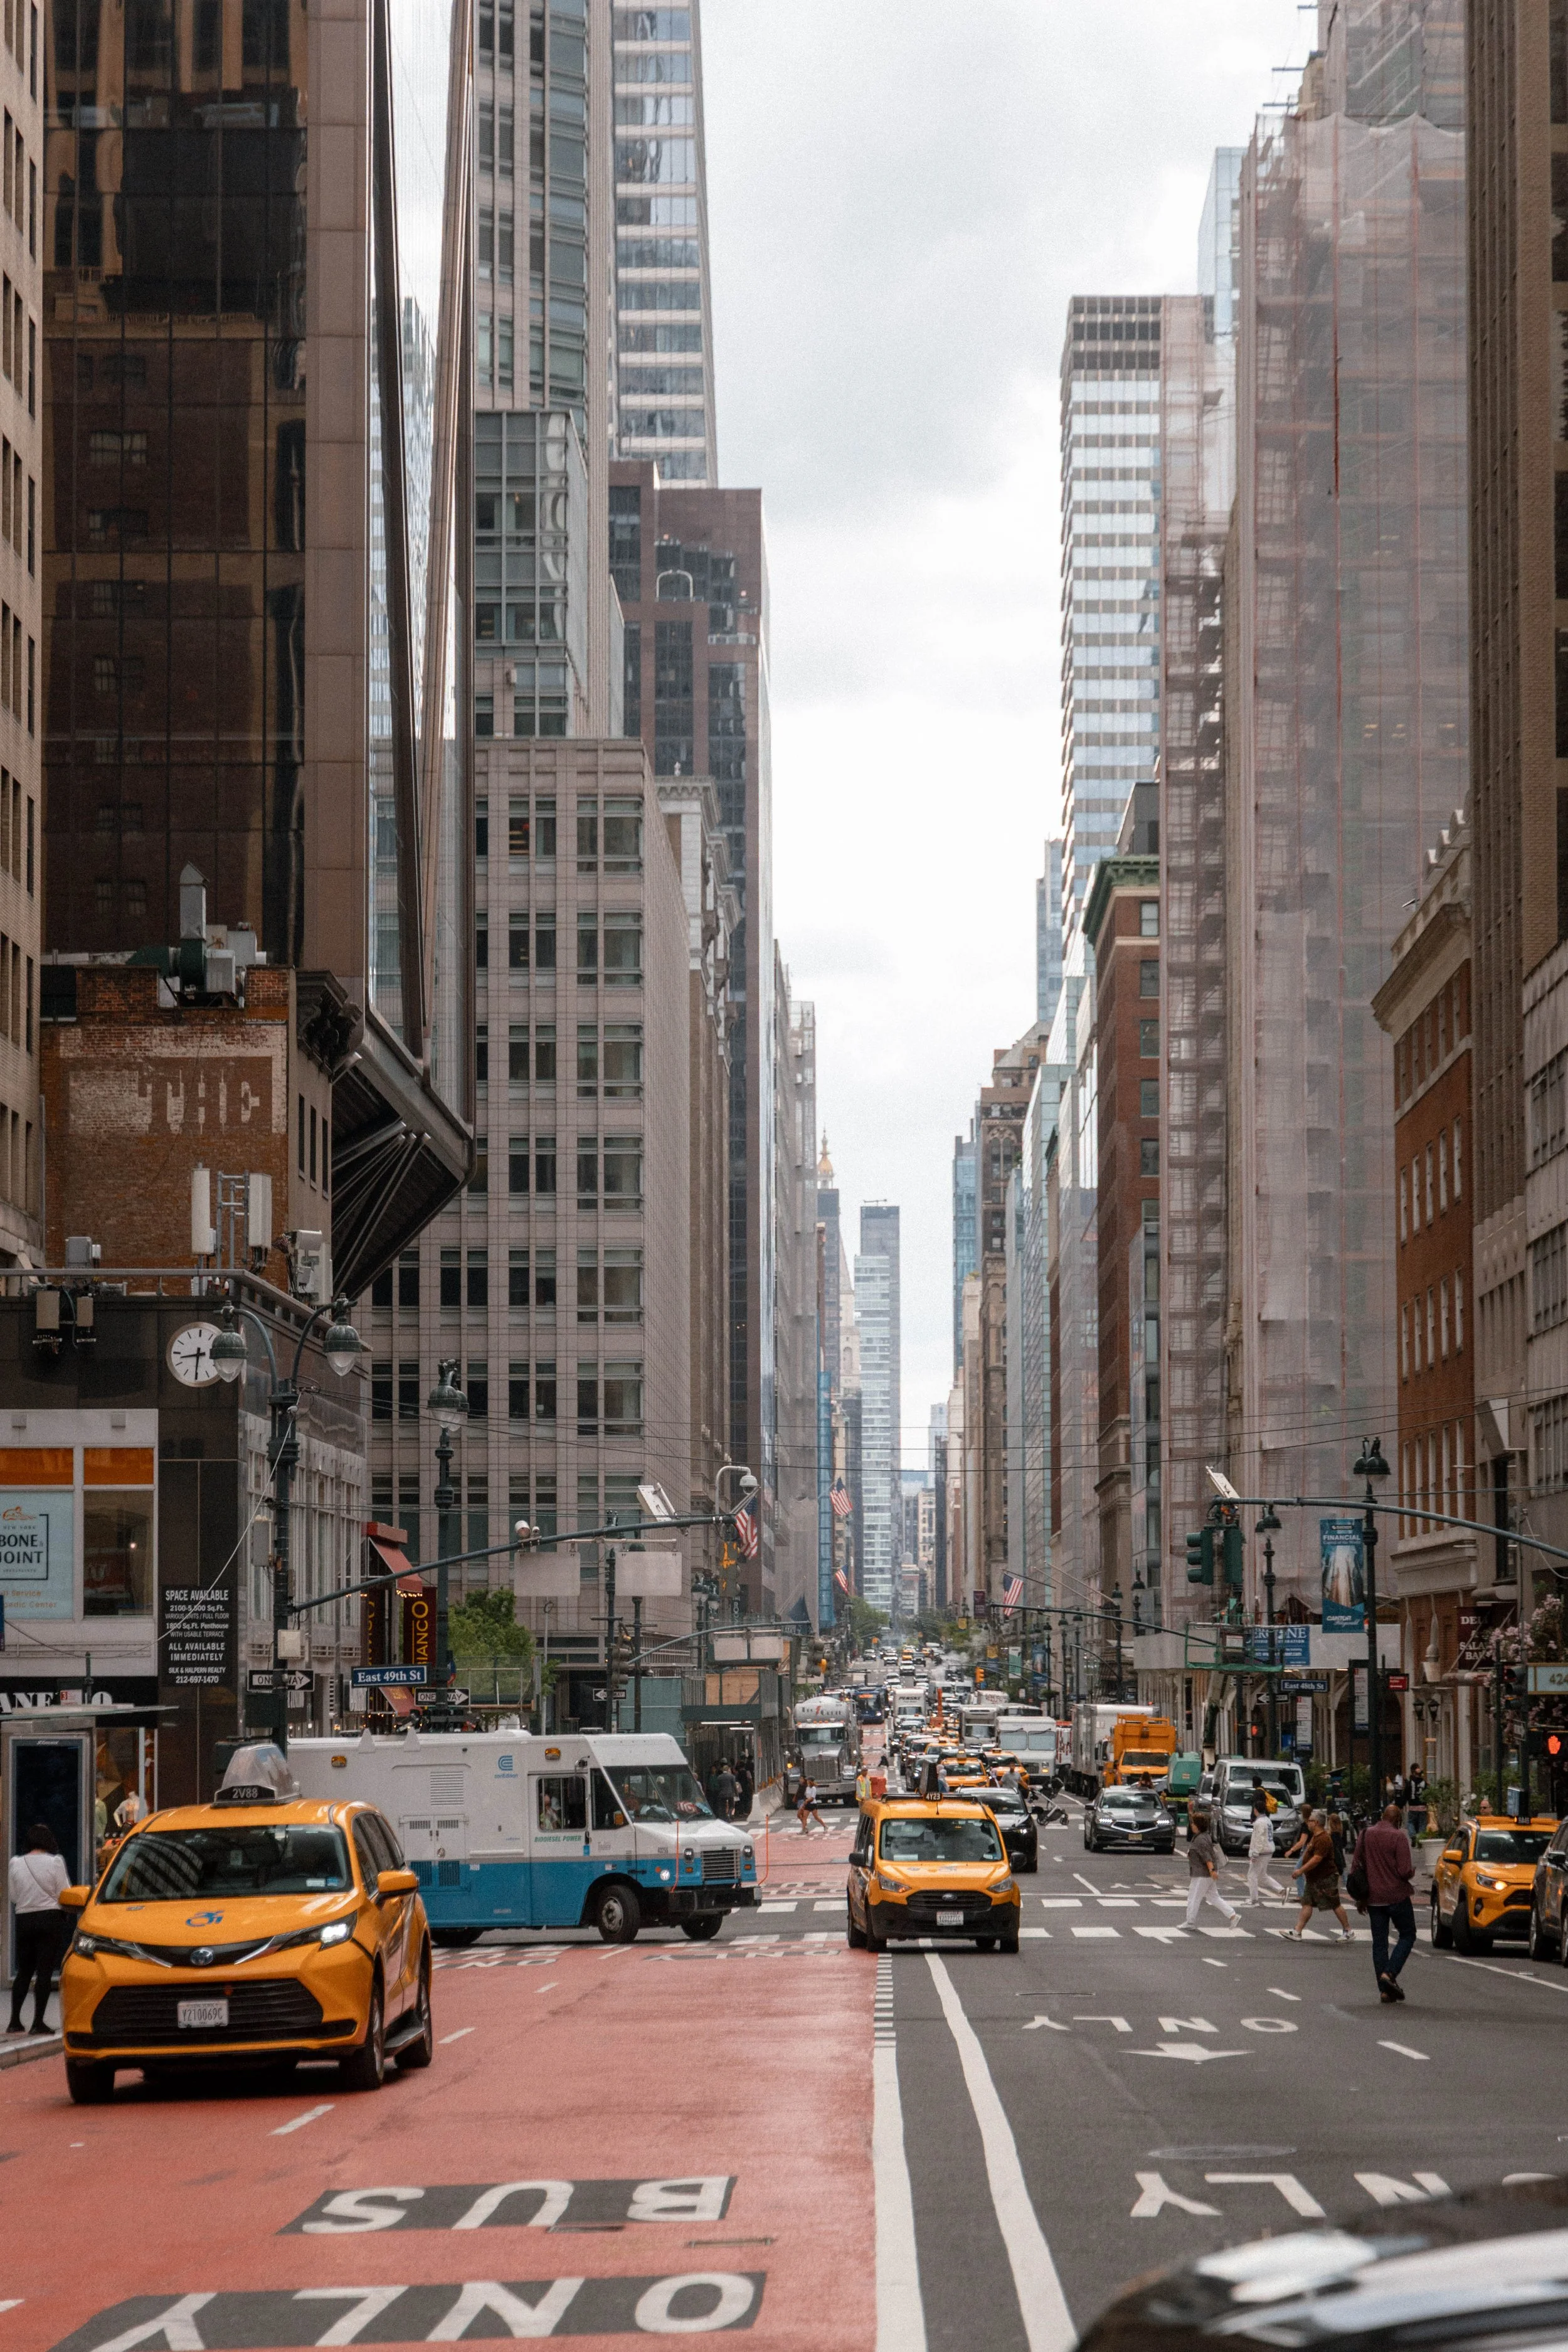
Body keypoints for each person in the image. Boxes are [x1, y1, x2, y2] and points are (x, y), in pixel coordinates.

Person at [1351, 1801, 1417, 2001]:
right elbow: (1404, 1871)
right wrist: (1412, 1872)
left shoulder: (1365, 1835)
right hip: (1396, 1896)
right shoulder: (1399, 1837)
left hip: (1373, 1898)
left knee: (1379, 1943)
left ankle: (1385, 1990)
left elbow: (1356, 1866)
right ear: (1398, 1820)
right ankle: (1389, 1973)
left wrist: (1361, 1898)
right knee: (1408, 1934)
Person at [8, 1825, 70, 2036]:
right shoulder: (56, 1862)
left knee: (24, 1971)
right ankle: (38, 2023)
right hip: (49, 1919)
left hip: (24, 1919)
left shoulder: (15, 1863)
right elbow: (65, 1893)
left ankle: (14, 2021)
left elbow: (14, 1897)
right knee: (44, 1972)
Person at [1284, 1809, 1354, 1942]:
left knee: (1335, 1904)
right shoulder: (1316, 1837)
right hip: (1314, 1879)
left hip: (1325, 1878)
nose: (1308, 1823)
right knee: (1307, 1903)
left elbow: (1317, 1859)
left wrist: (1301, 1870)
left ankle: (1348, 1931)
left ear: (1316, 1823)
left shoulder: (1323, 1839)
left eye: (1310, 1820)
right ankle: (1297, 1931)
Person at [1185, 1810, 1240, 1929]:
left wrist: (1212, 1871)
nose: (1192, 1825)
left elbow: (1207, 1858)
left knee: (1194, 1898)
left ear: (1198, 1826)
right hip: (1206, 1873)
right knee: (1213, 1897)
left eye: (1193, 1824)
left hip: (1202, 1874)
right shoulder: (1204, 1836)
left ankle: (1190, 1922)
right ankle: (1233, 1915)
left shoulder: (1200, 1840)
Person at [1246, 1803, 1286, 1908]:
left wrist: (1255, 1854)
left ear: (1255, 1810)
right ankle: (1281, 1890)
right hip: (1268, 1850)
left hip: (1262, 1851)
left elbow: (1259, 1839)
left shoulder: (1259, 1822)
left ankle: (1254, 1899)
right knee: (1262, 1875)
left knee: (1252, 1875)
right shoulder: (1268, 1821)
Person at [797, 1773, 825, 1837]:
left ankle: (825, 1826)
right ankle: (804, 1830)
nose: (806, 1781)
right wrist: (805, 1802)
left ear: (810, 1781)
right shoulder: (807, 1788)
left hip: (813, 1804)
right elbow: (806, 1796)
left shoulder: (814, 1789)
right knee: (804, 1817)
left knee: (816, 1817)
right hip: (807, 1804)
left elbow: (812, 1798)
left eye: (808, 1780)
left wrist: (807, 1801)